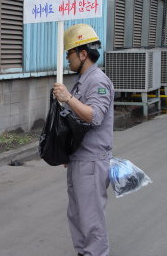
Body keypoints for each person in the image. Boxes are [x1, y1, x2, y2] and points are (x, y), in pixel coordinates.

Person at [52, 24, 114, 256]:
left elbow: (94, 116)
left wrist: (68, 98)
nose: (67, 59)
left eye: (69, 53)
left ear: (83, 54)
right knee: (77, 215)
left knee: (91, 218)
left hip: (92, 161)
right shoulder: (83, 80)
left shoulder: (98, 81)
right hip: (79, 159)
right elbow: (77, 123)